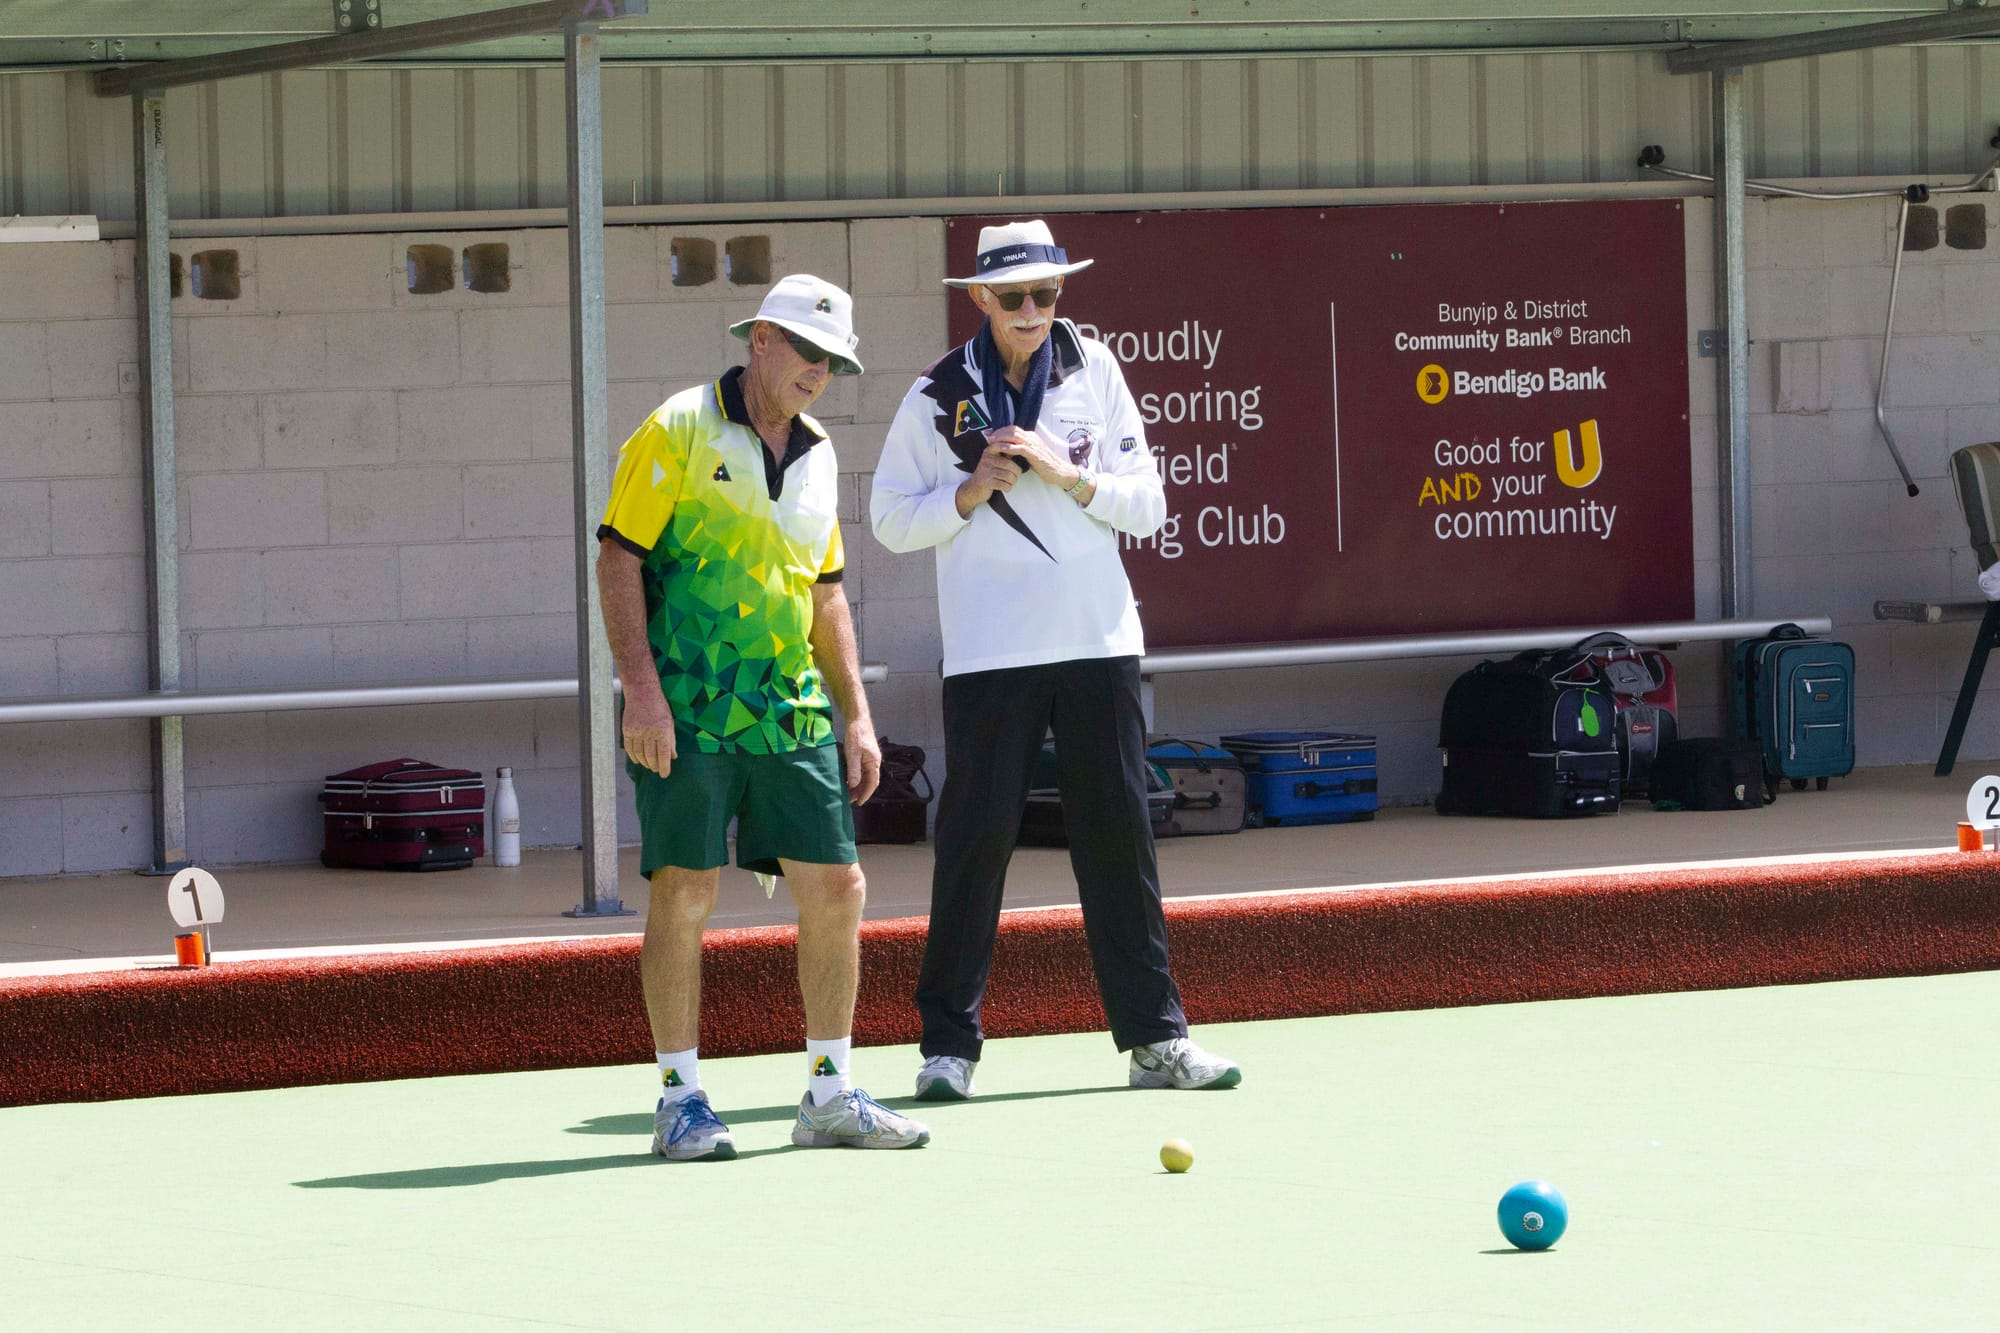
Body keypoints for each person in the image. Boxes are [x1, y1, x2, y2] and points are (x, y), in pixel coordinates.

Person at [870, 220, 1241, 1101]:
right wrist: (969, 491)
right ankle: (947, 1048)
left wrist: (1069, 475)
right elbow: (888, 520)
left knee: (1119, 842)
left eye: (1046, 292)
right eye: (1013, 296)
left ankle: (1156, 1040)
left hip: (1099, 644)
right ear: (980, 298)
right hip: (989, 654)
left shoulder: (1096, 369)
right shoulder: (936, 394)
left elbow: (1148, 505)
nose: (1031, 309)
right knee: (974, 845)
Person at [595, 273, 930, 1160]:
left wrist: (857, 715)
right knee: (687, 888)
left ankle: (828, 1092)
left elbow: (827, 593)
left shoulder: (819, 452)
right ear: (761, 340)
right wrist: (642, 690)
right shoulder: (677, 428)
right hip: (688, 703)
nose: (819, 372)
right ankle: (679, 1100)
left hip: (791, 709)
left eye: (834, 361)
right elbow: (617, 560)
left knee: (839, 886)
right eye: (808, 352)